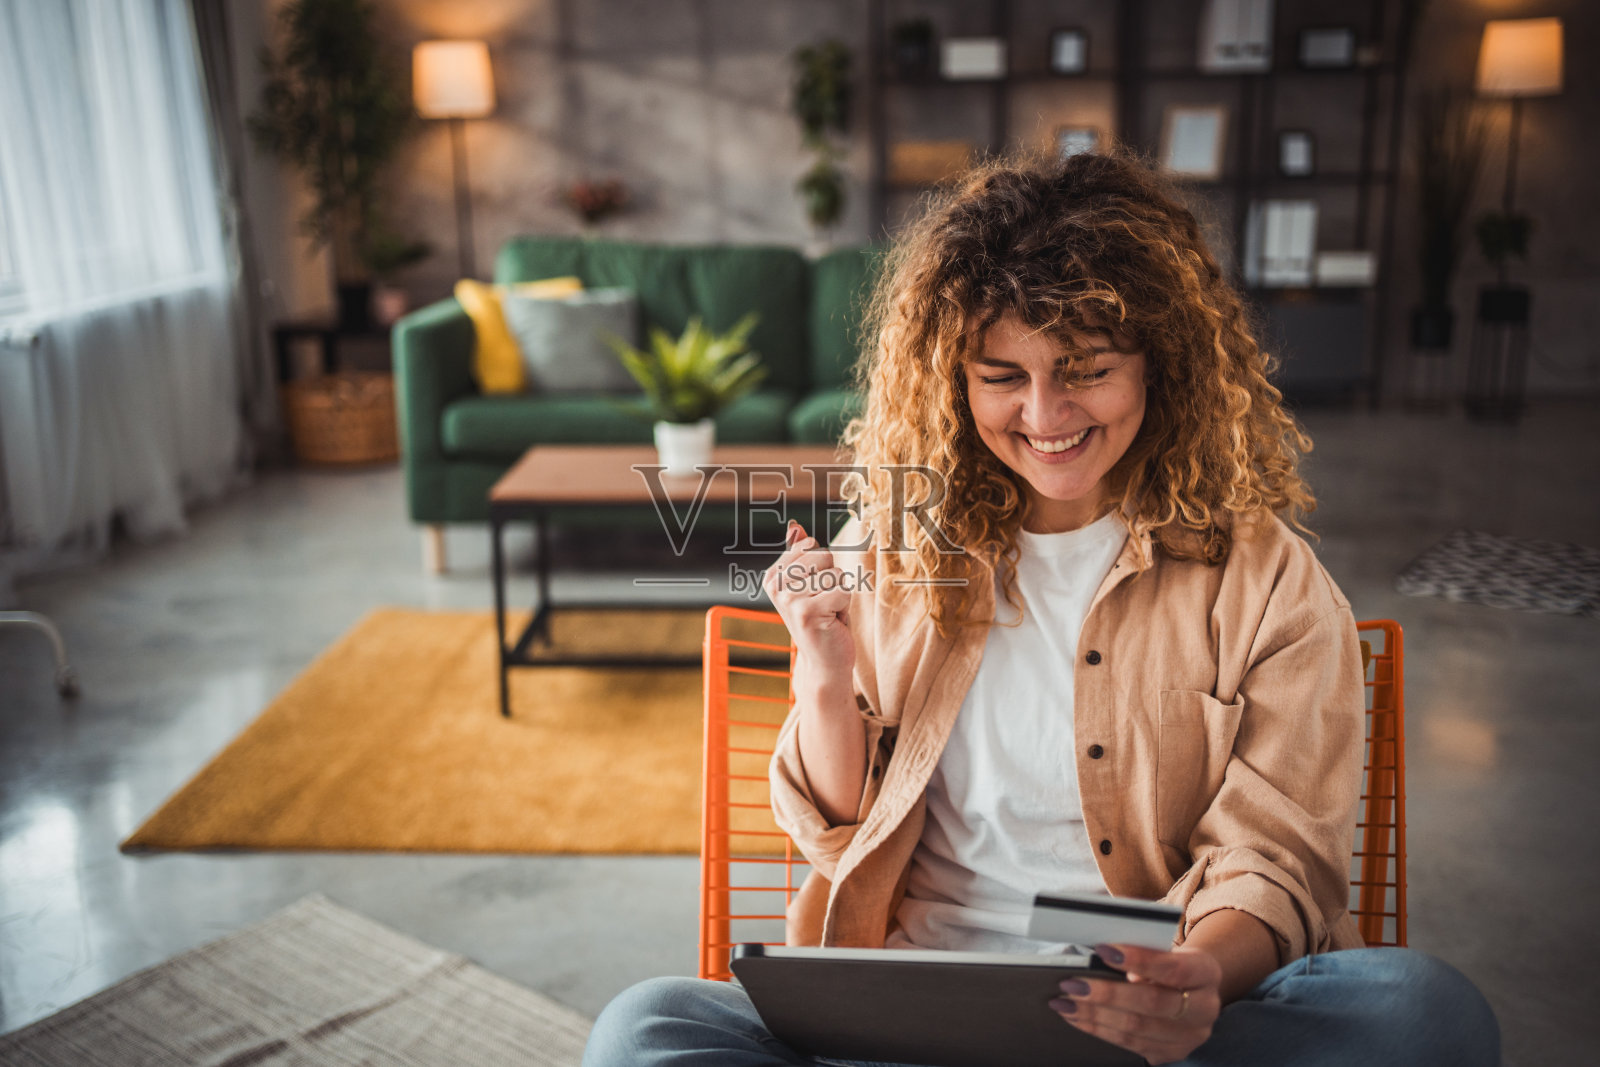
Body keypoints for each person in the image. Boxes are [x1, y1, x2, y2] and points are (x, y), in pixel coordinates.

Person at [582, 149, 1499, 1066]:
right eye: (1002, 376)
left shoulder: (1264, 580)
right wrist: (823, 682)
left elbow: (1276, 858)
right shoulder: (894, 546)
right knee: (644, 1029)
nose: (1045, 411)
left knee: (1426, 1013)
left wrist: (1192, 984)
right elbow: (838, 836)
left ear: (1157, 365)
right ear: (953, 379)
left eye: (1084, 367)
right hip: (918, 1008)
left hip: (1155, 1012)